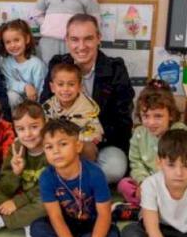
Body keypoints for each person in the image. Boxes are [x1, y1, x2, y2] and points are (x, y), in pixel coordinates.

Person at [41, 13, 134, 184]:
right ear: (67, 40)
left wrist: (90, 138)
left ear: (99, 38)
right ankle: (75, 177)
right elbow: (45, 105)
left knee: (115, 168)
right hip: (61, 142)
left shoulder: (115, 69)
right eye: (75, 39)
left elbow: (122, 120)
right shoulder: (57, 65)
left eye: (88, 39)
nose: (81, 46)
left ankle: (72, 179)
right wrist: (67, 142)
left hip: (100, 143)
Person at [30, 119, 123, 237]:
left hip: (91, 227)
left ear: (78, 146)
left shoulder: (95, 173)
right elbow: (56, 217)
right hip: (66, 225)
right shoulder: (46, 177)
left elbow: (104, 214)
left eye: (63, 144)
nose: (56, 151)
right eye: (49, 147)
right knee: (37, 228)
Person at [114, 79, 187, 221]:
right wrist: (143, 183)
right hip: (149, 183)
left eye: (158, 116)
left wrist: (164, 188)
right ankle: (153, 211)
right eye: (146, 116)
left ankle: (144, 212)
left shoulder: (181, 134)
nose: (151, 122)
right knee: (124, 185)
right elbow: (136, 163)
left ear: (170, 115)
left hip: (175, 183)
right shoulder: (139, 133)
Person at [0, 100, 47, 237]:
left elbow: (48, 187)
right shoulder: (16, 148)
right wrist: (16, 173)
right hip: (18, 195)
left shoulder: (51, 149)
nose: (28, 134)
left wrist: (17, 203)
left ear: (45, 124)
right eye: (21, 129)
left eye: (34, 127)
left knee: (48, 203)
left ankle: (1, 221)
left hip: (39, 196)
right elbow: (6, 187)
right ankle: (26, 220)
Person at [42, 63, 104, 160]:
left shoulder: (87, 109)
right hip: (55, 145)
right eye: (60, 84)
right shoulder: (48, 107)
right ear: (52, 87)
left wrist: (74, 141)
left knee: (88, 148)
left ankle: (85, 173)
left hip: (77, 145)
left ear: (80, 87)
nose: (65, 89)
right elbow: (43, 128)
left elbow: (95, 131)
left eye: (71, 84)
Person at [0, 19, 47, 108]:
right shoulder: (5, 62)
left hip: (35, 104)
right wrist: (25, 86)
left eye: (16, 40)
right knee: (10, 96)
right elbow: (8, 83)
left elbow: (42, 90)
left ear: (27, 39)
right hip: (16, 106)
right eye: (8, 42)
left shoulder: (37, 65)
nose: (13, 45)